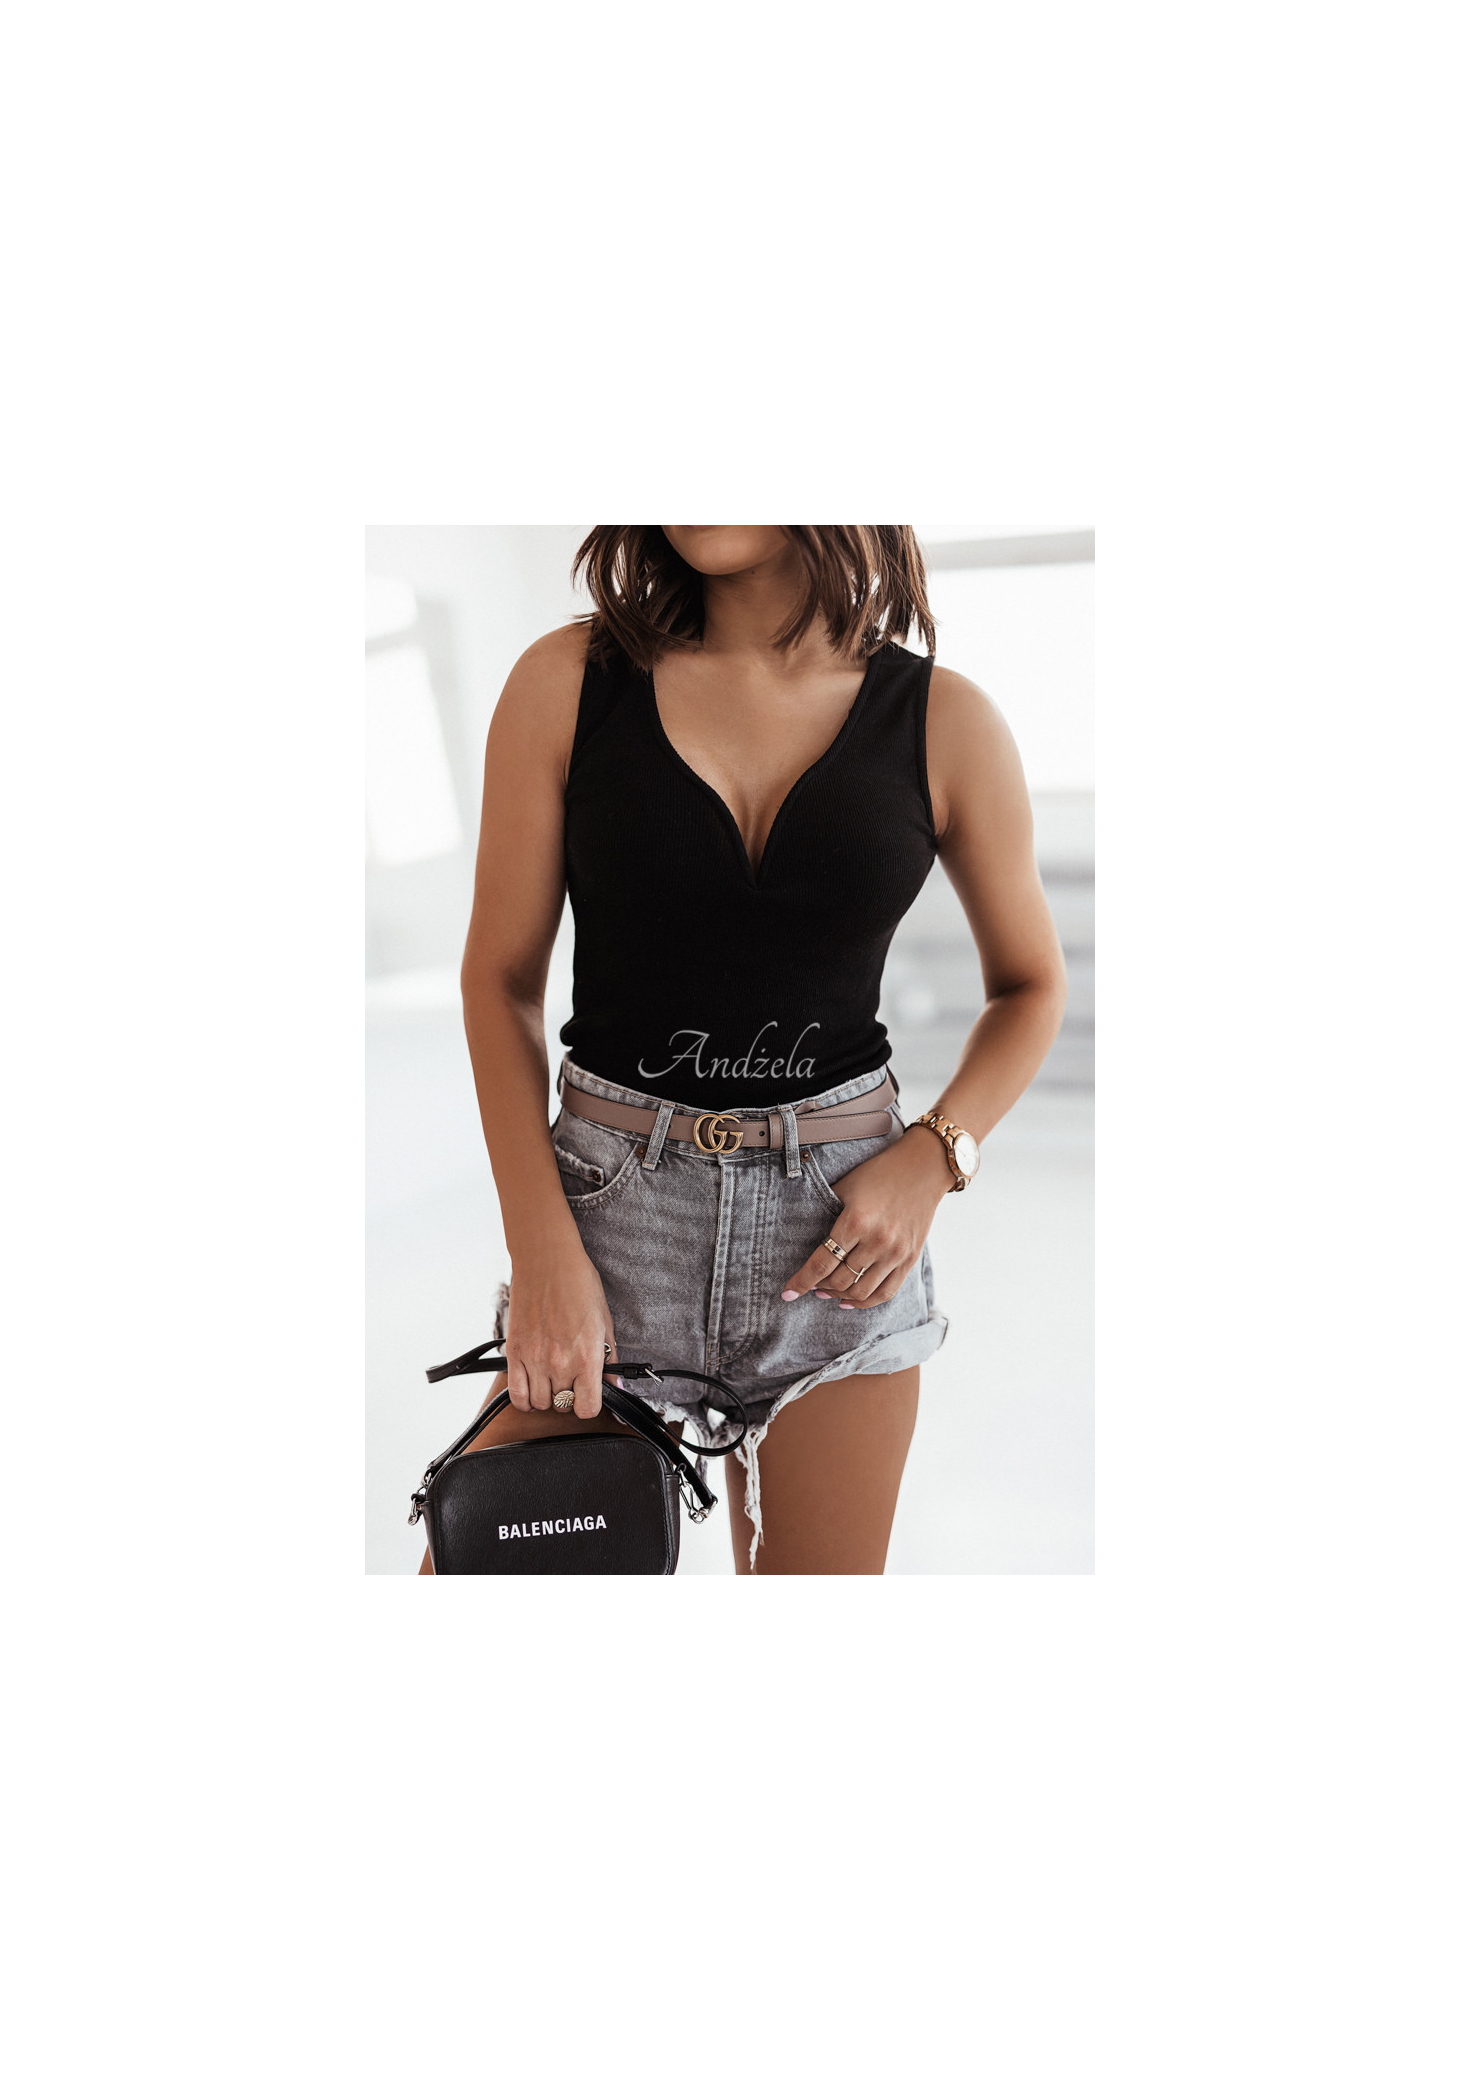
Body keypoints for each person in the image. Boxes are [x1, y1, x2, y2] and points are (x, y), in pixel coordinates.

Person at [418, 526, 1066, 1575]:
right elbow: (499, 985)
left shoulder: (945, 722)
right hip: (609, 1220)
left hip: (837, 1237)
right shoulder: (567, 683)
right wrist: (540, 1252)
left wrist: (933, 1156)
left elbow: (1031, 986)